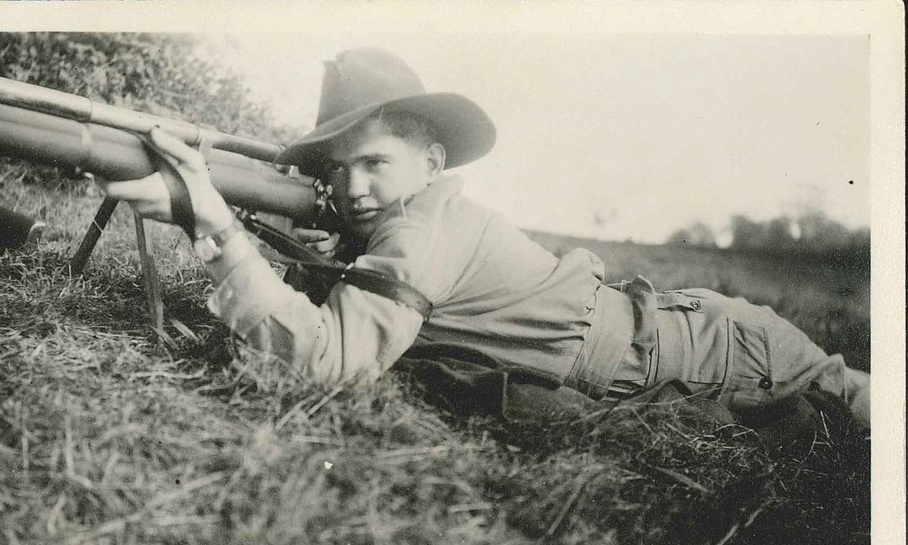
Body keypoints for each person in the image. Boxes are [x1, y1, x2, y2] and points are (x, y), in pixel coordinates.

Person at [103, 47, 870, 433]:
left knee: (865, 408)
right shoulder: (398, 217)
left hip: (725, 352)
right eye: (340, 168)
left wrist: (211, 219)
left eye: (376, 163)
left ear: (431, 163)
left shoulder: (426, 226)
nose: (353, 187)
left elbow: (332, 360)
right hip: (687, 325)